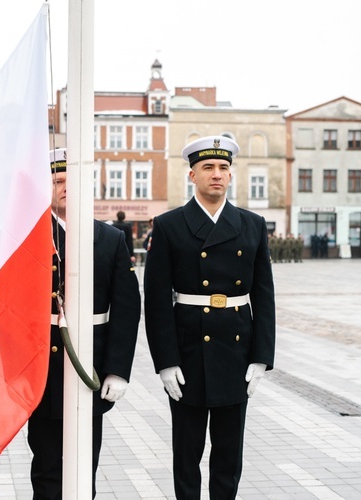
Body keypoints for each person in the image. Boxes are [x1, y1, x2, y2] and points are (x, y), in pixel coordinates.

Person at [144, 136, 275, 500]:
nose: (216, 175)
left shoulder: (252, 224)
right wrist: (166, 362)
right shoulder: (169, 225)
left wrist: (261, 357)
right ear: (192, 175)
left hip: (235, 351)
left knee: (229, 455)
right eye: (207, 168)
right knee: (187, 454)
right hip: (188, 352)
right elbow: (155, 301)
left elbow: (264, 295)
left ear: (231, 175)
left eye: (223, 168)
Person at [27, 148, 141, 499]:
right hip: (42, 370)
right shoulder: (27, 238)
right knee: (46, 468)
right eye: (57, 180)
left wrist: (118, 371)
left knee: (84, 467)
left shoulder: (110, 239)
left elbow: (126, 308)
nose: (64, 187)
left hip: (88, 369)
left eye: (71, 181)